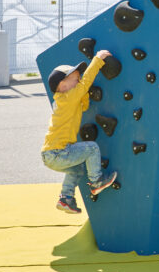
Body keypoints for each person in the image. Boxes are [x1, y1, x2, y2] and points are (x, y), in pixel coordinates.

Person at [41, 54, 118, 214]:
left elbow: (83, 106)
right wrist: (98, 60)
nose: (79, 80)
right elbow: (84, 85)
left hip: (51, 154)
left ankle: (66, 198)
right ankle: (97, 182)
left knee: (77, 170)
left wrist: (84, 94)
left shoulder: (66, 100)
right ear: (62, 86)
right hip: (57, 152)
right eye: (75, 78)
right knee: (92, 148)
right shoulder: (67, 98)